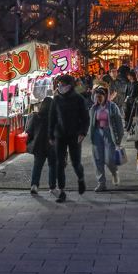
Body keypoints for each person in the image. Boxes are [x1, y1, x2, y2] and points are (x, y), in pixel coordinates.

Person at [49, 74, 89, 203]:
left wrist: (82, 132)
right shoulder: (56, 100)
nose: (60, 87)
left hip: (74, 136)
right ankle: (62, 191)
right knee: (59, 163)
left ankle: (80, 178)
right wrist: (51, 135)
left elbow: (85, 118)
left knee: (76, 163)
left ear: (69, 86)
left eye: (62, 84)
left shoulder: (79, 100)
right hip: (59, 135)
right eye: (59, 84)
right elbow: (52, 118)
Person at [89, 87, 125, 192]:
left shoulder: (112, 107)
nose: (98, 99)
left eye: (100, 97)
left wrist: (119, 136)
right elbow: (91, 122)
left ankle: (114, 173)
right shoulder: (94, 108)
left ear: (105, 96)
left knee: (109, 159)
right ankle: (101, 183)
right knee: (98, 159)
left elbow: (118, 122)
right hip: (97, 133)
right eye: (97, 97)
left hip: (109, 133)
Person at [25, 97, 57, 196]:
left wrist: (29, 141)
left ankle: (34, 185)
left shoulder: (36, 117)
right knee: (52, 166)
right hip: (52, 145)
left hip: (38, 144)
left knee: (37, 165)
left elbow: (30, 131)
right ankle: (52, 187)